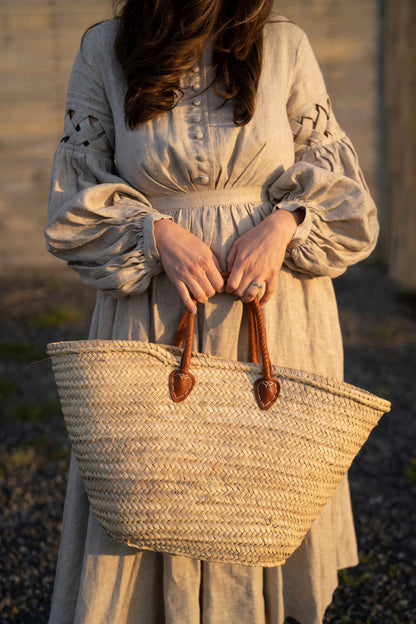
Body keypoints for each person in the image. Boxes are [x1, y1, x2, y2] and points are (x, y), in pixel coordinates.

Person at [45, 1, 379, 622]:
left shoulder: (283, 43)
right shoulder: (107, 47)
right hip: (152, 309)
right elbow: (73, 200)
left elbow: (348, 201)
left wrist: (286, 222)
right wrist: (154, 234)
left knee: (263, 502)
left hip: (275, 313)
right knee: (147, 497)